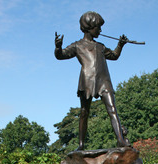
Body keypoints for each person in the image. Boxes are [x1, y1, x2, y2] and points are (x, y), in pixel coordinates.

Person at [55, 11, 130, 150]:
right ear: (89, 27)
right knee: (84, 112)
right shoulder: (77, 46)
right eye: (98, 27)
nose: (100, 30)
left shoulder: (100, 47)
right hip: (87, 81)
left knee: (112, 109)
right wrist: (58, 47)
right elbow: (61, 55)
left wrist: (120, 45)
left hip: (104, 80)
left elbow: (114, 56)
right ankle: (81, 144)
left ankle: (120, 140)